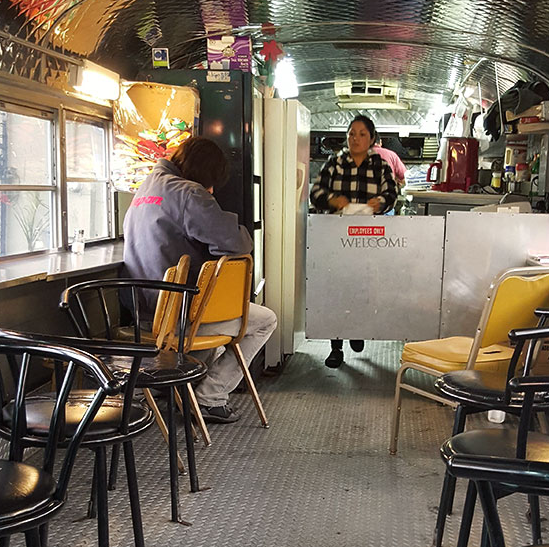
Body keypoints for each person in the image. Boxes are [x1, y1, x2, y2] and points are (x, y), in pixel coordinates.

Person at [123, 136, 277, 423]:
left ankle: (176, 387)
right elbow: (235, 243)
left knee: (210, 325)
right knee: (265, 320)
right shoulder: (188, 193)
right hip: (178, 317)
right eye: (212, 182)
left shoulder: (146, 187)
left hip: (143, 313)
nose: (213, 189)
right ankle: (209, 397)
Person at [310, 114, 397, 369]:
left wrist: (380, 202)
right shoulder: (334, 163)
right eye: (351, 134)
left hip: (368, 238)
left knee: (363, 288)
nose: (355, 139)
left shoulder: (380, 165)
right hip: (337, 237)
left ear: (371, 139)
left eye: (361, 134)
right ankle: (335, 347)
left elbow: (392, 193)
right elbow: (316, 192)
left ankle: (357, 330)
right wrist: (332, 200)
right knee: (336, 289)